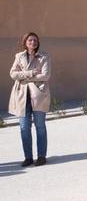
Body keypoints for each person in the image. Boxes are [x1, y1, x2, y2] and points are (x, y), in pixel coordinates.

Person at [9, 32, 51, 167]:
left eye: (35, 40)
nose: (33, 42)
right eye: (30, 40)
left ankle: (41, 156)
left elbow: (45, 75)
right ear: (25, 42)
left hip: (38, 95)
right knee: (24, 128)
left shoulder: (44, 56)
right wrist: (31, 73)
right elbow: (13, 74)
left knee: (40, 127)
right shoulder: (19, 56)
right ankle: (28, 157)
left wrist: (24, 77)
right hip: (22, 96)